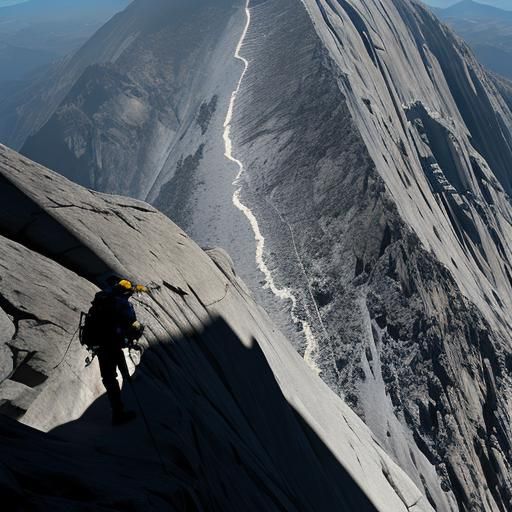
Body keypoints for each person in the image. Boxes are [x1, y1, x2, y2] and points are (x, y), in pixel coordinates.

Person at [93, 278, 145, 425]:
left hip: (99, 345)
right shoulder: (122, 304)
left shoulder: (102, 299)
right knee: (115, 376)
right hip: (113, 345)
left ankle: (117, 410)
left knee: (108, 378)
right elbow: (131, 324)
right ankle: (118, 413)